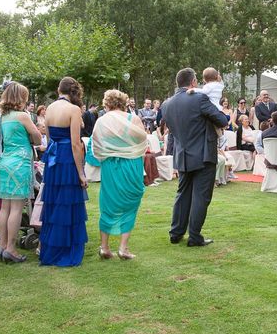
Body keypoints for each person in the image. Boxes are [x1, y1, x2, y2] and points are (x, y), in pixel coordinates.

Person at [162, 68, 229, 247]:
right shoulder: (199, 98)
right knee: (201, 196)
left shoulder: (166, 104)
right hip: (203, 155)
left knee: (182, 194)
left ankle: (176, 233)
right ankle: (194, 236)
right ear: (192, 82)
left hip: (182, 154)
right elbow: (222, 121)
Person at [92, 89, 148, 260]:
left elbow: (96, 144)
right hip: (131, 164)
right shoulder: (133, 119)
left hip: (110, 165)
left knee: (108, 202)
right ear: (124, 103)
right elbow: (143, 140)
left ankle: (104, 247)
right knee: (131, 203)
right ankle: (123, 248)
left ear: (107, 103)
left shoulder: (102, 121)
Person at [39, 77, 88, 266]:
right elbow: (76, 144)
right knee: (67, 205)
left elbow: (50, 139)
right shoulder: (74, 110)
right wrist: (81, 173)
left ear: (59, 90)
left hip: (54, 160)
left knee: (54, 205)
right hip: (68, 160)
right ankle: (66, 251)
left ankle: (52, 250)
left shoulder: (49, 109)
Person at [0, 82, 42, 264]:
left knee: (5, 207)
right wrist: (32, 137)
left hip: (6, 162)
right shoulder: (23, 116)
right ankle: (11, 249)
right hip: (20, 162)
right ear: (20, 98)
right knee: (17, 207)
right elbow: (37, 137)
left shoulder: (3, 116)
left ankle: (3, 245)